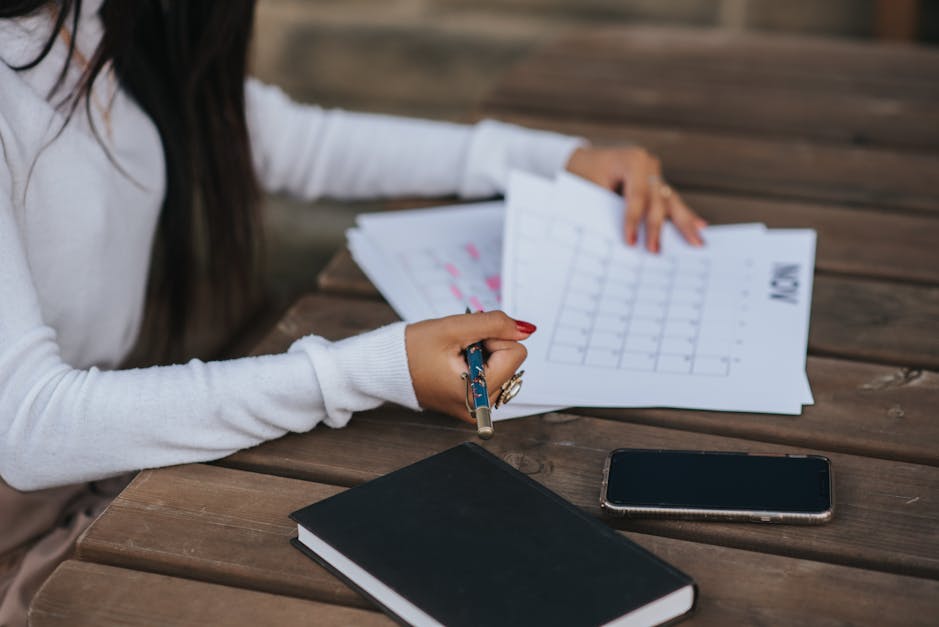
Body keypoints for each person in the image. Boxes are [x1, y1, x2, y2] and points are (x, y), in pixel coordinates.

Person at [0, 0, 705, 622]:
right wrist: (364, 372)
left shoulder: (97, 19)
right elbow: (30, 425)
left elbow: (290, 141)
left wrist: (554, 161)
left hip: (115, 468)